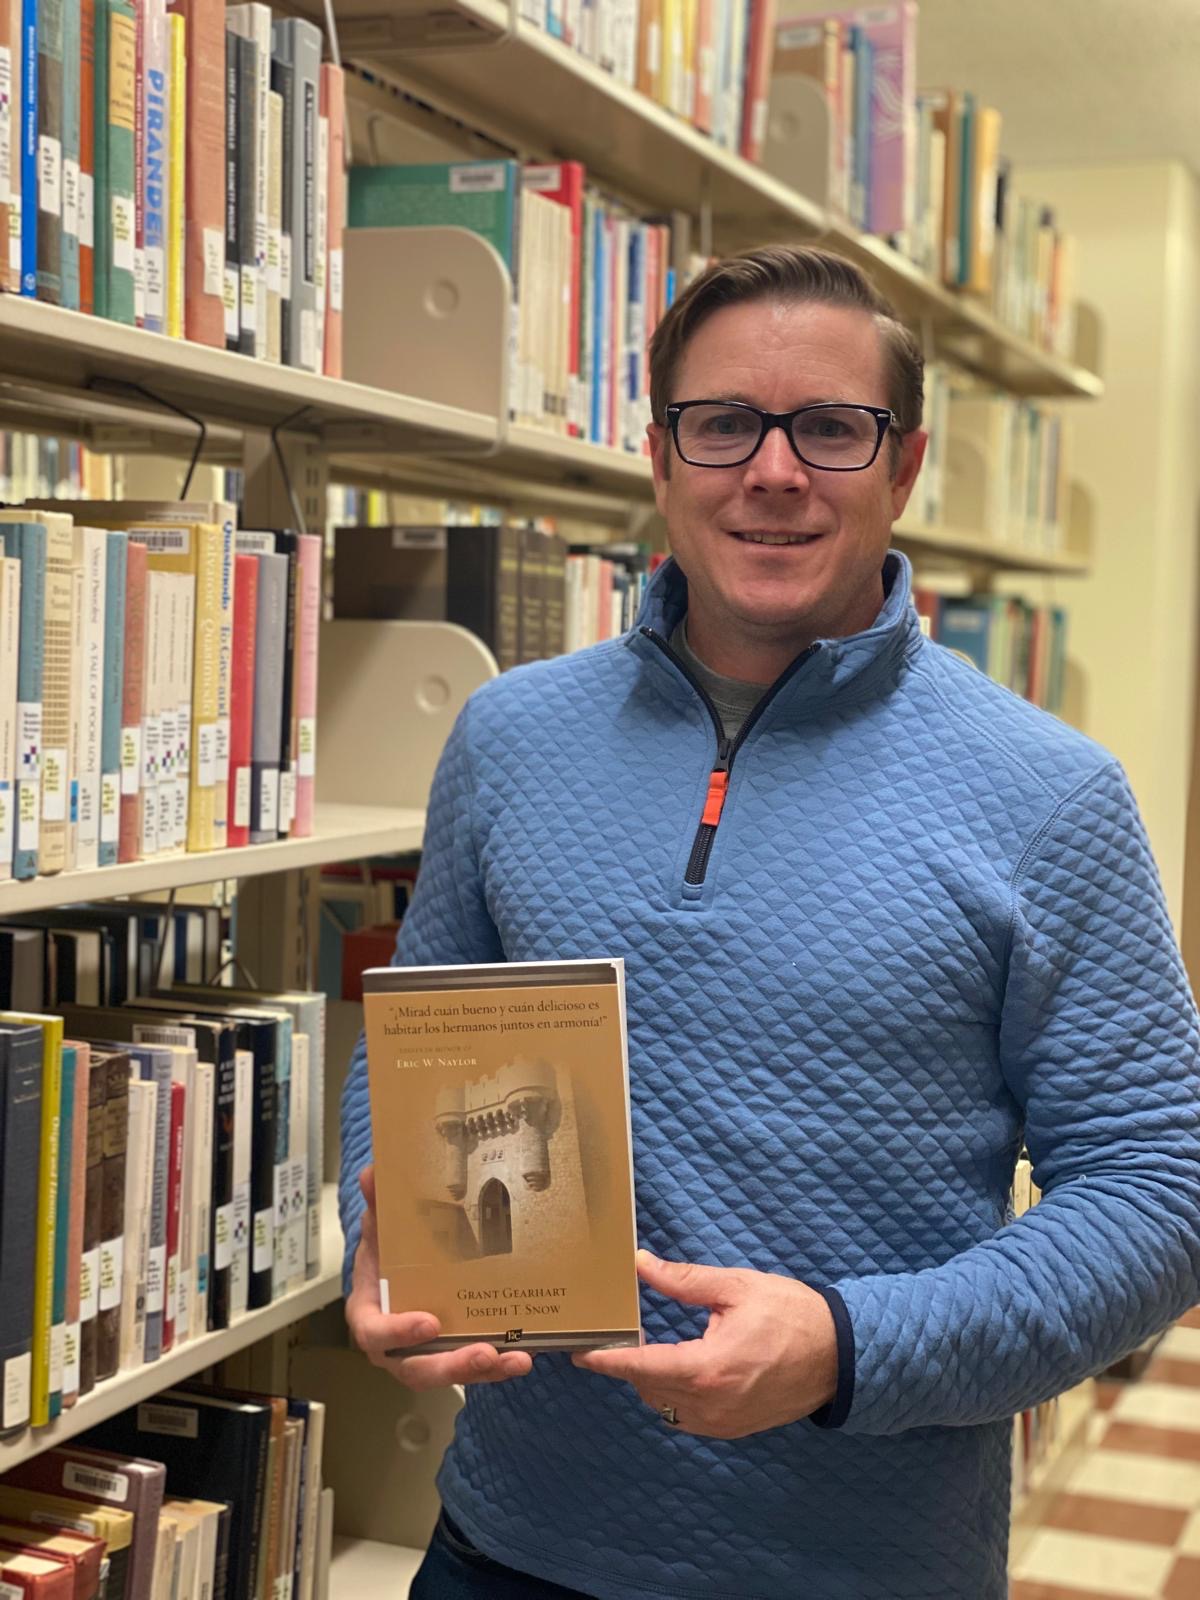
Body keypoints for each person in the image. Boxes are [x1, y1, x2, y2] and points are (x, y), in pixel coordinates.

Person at [338, 245, 1200, 1600]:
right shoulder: (509, 740)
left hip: (858, 1567)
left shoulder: (1050, 797)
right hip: (505, 1546)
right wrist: (381, 1236)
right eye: (725, 422)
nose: (775, 471)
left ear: (904, 467)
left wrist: (849, 1346)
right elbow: (416, 1052)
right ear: (661, 457)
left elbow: (1161, 1190)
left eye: (833, 429)